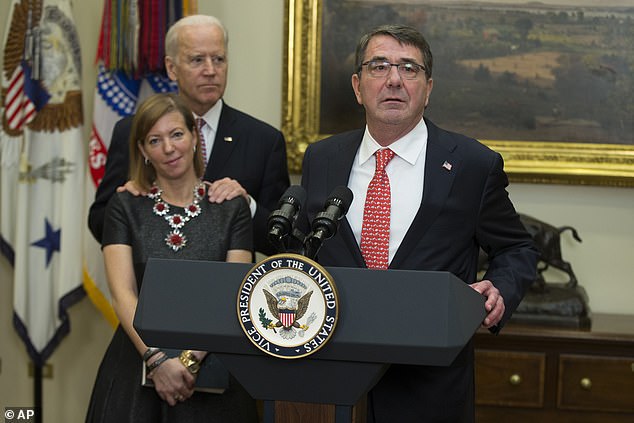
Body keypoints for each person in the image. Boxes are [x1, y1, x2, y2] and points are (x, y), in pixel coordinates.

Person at [298, 24, 539, 422]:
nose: (394, 79)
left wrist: (499, 290)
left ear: (428, 88)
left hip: (429, 388)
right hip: (331, 377)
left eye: (409, 68)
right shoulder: (321, 159)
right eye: (379, 66)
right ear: (358, 87)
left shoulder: (471, 164)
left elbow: (517, 248)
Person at [86, 93, 258, 422]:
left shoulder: (230, 207)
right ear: (142, 151)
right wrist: (157, 361)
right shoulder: (124, 206)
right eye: (155, 139)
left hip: (214, 373)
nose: (169, 148)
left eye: (177, 134)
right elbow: (122, 294)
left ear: (194, 137)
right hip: (135, 366)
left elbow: (234, 293)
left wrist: (189, 361)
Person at [88, 14, 290, 256]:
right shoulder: (132, 131)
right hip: (152, 283)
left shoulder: (263, 140)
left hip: (225, 287)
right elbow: (99, 222)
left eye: (219, 59)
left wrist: (248, 206)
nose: (210, 70)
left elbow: (283, 244)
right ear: (171, 68)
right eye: (197, 60)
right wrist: (130, 205)